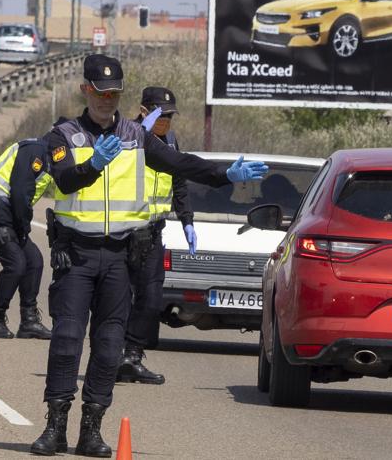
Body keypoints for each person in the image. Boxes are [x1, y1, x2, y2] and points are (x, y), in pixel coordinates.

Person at [30, 54, 269, 457]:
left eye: (115, 93)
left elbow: (180, 163)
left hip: (121, 257)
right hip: (78, 256)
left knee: (108, 345)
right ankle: (55, 427)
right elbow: (65, 179)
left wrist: (225, 173)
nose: (108, 100)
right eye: (101, 92)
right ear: (86, 90)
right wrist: (94, 166)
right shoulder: (63, 134)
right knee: (68, 340)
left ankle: (92, 429)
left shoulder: (136, 135)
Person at [117, 86, 190, 386]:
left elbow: (180, 179)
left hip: (154, 232)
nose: (166, 122)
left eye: (170, 116)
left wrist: (187, 220)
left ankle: (132, 357)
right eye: (161, 115)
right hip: (123, 230)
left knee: (151, 299)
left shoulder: (170, 141)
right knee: (117, 298)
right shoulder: (124, 135)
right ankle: (110, 355)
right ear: (145, 111)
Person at [0, 138, 54, 340]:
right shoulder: (36, 151)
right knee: (16, 264)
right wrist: (24, 224)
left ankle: (29, 321)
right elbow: (20, 191)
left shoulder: (48, 157)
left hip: (7, 212)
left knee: (34, 261)